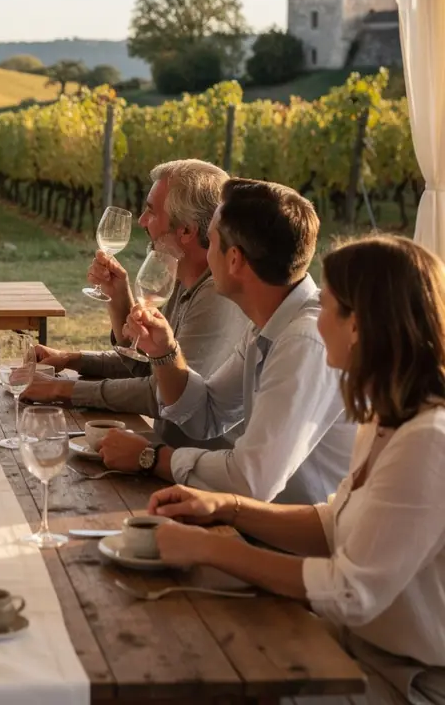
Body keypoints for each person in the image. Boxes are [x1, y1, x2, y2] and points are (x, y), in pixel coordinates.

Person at [148, 236, 445, 705]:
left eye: (326, 304)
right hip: (354, 645)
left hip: (407, 680)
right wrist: (226, 507)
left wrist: (210, 549)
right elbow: (334, 523)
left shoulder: (430, 441)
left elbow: (349, 591)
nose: (315, 313)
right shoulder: (387, 417)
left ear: (359, 326)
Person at [97, 178, 354, 505]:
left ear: (234, 260)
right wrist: (164, 352)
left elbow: (251, 479)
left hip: (291, 542)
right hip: (257, 523)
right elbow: (208, 413)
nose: (204, 254)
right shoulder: (271, 321)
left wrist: (150, 457)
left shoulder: (305, 340)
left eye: (212, 241)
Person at [25, 159, 250, 449]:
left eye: (151, 211)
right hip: (169, 452)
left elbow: (160, 392)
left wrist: (64, 388)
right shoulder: (183, 279)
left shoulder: (216, 297)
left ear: (186, 231)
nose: (142, 221)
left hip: (193, 470)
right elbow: (152, 365)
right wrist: (73, 357)